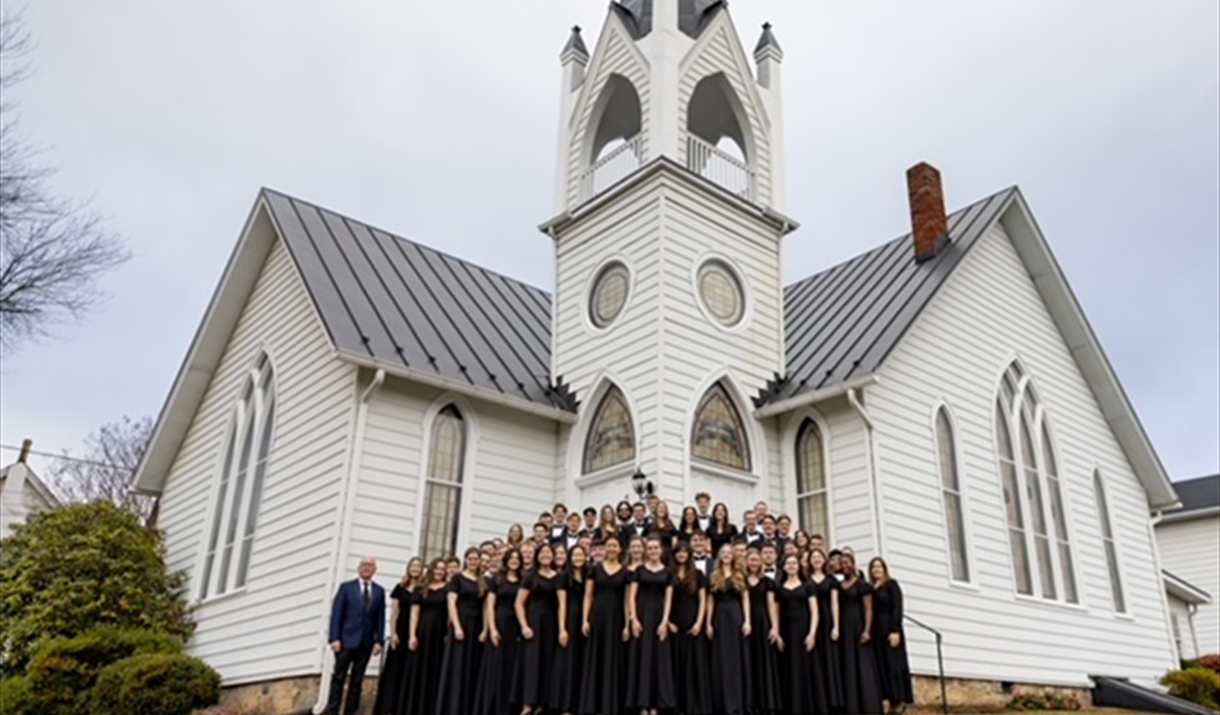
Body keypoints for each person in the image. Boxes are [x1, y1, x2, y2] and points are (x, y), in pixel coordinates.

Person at [326, 556, 385, 715]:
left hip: (365, 643)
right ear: (359, 568)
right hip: (345, 641)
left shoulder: (379, 591)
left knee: (357, 681)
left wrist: (379, 640)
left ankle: (351, 711)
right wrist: (334, 638)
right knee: (339, 677)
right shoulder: (346, 588)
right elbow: (337, 614)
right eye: (364, 565)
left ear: (375, 570)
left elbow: (380, 617)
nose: (367, 568)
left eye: (370, 565)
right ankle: (333, 710)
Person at [580, 536, 631, 715]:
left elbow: (627, 600)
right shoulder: (594, 569)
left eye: (614, 545)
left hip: (616, 617)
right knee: (597, 656)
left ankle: (612, 704)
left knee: (614, 657)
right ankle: (593, 704)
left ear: (620, 549)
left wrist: (627, 624)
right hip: (598, 617)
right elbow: (588, 596)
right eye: (608, 545)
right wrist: (585, 619)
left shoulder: (626, 572)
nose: (611, 548)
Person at [626, 536, 677, 714]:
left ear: (661, 551)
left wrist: (665, 621)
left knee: (658, 659)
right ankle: (642, 703)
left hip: (659, 617)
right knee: (642, 657)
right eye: (650, 548)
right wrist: (634, 619)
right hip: (642, 616)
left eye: (656, 548)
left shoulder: (669, 572)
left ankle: (655, 704)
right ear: (646, 551)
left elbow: (669, 599)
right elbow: (632, 596)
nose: (653, 551)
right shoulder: (639, 571)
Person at [773, 554, 828, 715]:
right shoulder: (780, 587)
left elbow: (815, 612)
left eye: (794, 563)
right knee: (789, 668)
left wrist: (812, 634)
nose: (791, 566)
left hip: (804, 632)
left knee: (807, 668)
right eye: (788, 563)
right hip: (786, 633)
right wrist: (777, 633)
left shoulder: (807, 586)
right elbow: (776, 612)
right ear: (783, 567)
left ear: (799, 566)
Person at [436, 548, 488, 715]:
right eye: (470, 559)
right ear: (466, 560)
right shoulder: (457, 579)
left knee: (472, 665)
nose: (473, 562)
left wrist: (485, 629)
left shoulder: (482, 581)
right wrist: (457, 626)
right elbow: (451, 604)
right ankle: (451, 707)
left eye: (476, 559)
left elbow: (486, 606)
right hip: (461, 623)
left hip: (476, 625)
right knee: (457, 665)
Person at [475, 549, 524, 715]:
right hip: (500, 623)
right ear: (506, 560)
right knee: (495, 666)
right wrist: (492, 629)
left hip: (516, 626)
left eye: (518, 558)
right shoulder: (497, 580)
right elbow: (490, 606)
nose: (514, 561)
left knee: (511, 667)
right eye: (512, 558)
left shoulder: (524, 580)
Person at [517, 543, 562, 715]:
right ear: (537, 556)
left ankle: (542, 703)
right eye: (542, 553)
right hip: (534, 621)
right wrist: (524, 625)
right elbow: (519, 603)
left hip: (551, 623)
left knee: (547, 661)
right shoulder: (530, 577)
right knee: (532, 661)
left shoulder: (558, 577)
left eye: (548, 553)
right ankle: (528, 703)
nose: (545, 556)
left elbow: (560, 604)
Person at [373, 557, 422, 715]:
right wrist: (393, 633)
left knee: (410, 668)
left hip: (415, 632)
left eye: (418, 566)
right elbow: (395, 612)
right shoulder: (400, 588)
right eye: (412, 566)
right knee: (394, 669)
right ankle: (388, 707)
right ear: (408, 568)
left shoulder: (422, 589)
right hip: (400, 631)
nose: (415, 569)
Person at [707, 544, 751, 715]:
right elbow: (711, 601)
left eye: (729, 553)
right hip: (720, 618)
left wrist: (747, 621)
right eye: (723, 553)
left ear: (733, 556)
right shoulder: (714, 575)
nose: (726, 555)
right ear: (719, 556)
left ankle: (737, 703)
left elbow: (745, 599)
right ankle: (722, 703)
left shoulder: (740, 575)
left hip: (735, 616)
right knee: (721, 658)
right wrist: (709, 623)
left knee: (736, 659)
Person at [837, 553, 883, 714]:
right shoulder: (840, 585)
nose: (844, 566)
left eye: (847, 563)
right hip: (844, 629)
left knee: (862, 666)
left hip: (858, 627)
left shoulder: (862, 585)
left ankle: (868, 706)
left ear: (854, 564)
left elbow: (868, 608)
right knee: (848, 666)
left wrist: (867, 630)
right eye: (842, 563)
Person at [402, 559, 449, 715]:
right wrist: (412, 635)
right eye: (437, 569)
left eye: (442, 569)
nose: (439, 572)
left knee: (435, 669)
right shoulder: (421, 588)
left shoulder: (448, 589)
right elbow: (414, 613)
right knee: (418, 668)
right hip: (423, 632)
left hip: (439, 633)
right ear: (431, 570)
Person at [670, 543, 712, 715]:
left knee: (694, 663)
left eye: (684, 552)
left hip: (693, 620)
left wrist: (699, 623)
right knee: (677, 662)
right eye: (678, 552)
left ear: (689, 555)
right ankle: (678, 704)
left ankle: (695, 705)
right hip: (675, 622)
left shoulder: (698, 575)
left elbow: (703, 600)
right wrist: (669, 622)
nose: (681, 555)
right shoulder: (669, 574)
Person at [870, 557, 914, 715]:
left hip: (890, 627)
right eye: (873, 567)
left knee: (894, 664)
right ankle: (890, 700)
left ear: (884, 569)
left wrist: (895, 630)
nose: (876, 570)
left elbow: (897, 607)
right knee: (883, 665)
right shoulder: (871, 588)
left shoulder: (891, 585)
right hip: (877, 632)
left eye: (879, 567)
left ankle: (900, 701)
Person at [551, 544, 589, 715]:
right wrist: (562, 629)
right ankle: (565, 704)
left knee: (581, 661)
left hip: (585, 621)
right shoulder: (563, 577)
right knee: (567, 661)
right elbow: (561, 604)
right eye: (575, 555)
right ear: (569, 557)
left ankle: (577, 703)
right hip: (569, 619)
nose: (578, 558)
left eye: (581, 555)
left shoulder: (589, 575)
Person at [744, 549, 782, 714]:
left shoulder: (767, 582)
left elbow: (771, 605)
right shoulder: (742, 581)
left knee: (765, 660)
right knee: (749, 660)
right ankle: (753, 703)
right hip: (748, 621)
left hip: (763, 621)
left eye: (756, 560)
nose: (754, 563)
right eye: (751, 560)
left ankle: (769, 702)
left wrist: (774, 627)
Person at [807, 549, 843, 713]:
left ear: (824, 560)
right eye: (813, 557)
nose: (816, 560)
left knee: (830, 659)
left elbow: (835, 603)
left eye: (818, 557)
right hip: (811, 622)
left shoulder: (832, 581)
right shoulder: (806, 580)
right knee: (816, 660)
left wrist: (836, 625)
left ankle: (833, 700)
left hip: (827, 620)